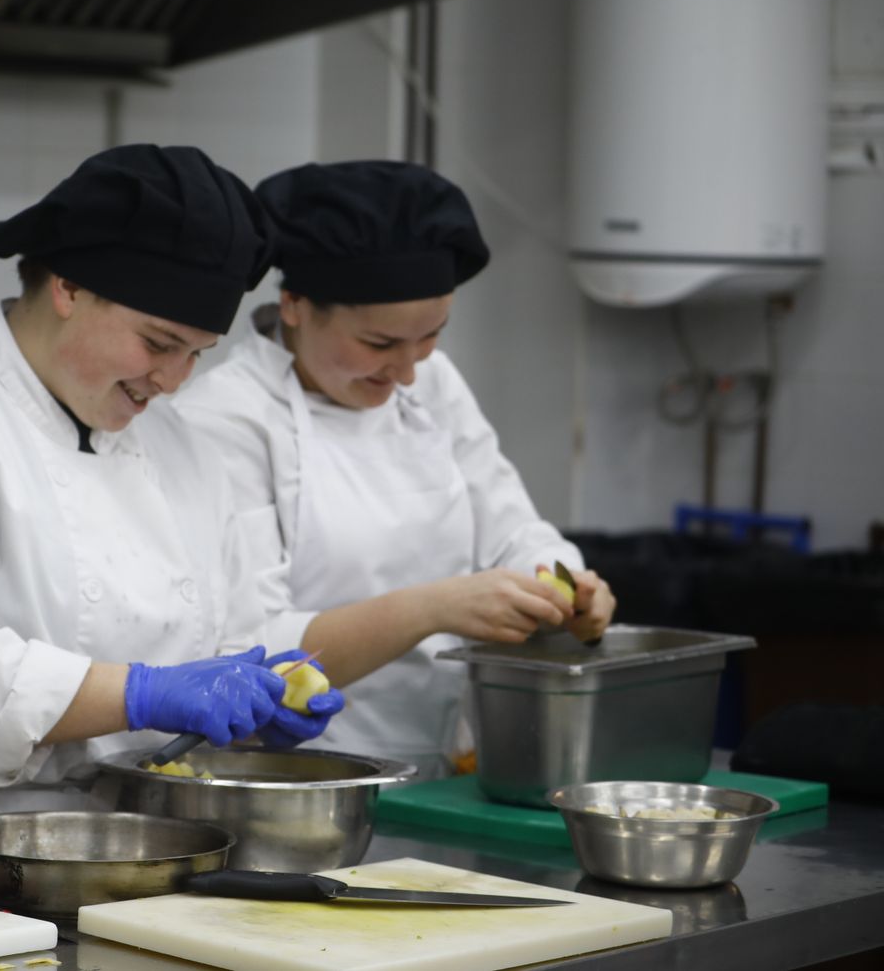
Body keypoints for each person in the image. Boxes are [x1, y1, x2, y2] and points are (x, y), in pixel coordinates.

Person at [0, 144, 345, 873]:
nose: (172, 380)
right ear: (67, 286)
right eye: (158, 343)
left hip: (143, 855)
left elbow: (232, 629)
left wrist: (259, 695)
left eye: (197, 353)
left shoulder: (185, 447)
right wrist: (143, 693)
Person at [177, 161, 615, 778]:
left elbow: (510, 525)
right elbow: (251, 647)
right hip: (295, 777)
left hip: (449, 763)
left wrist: (565, 583)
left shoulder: (432, 384)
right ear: (295, 304)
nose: (408, 371)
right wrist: (430, 609)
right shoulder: (226, 418)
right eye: (379, 345)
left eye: (431, 336)